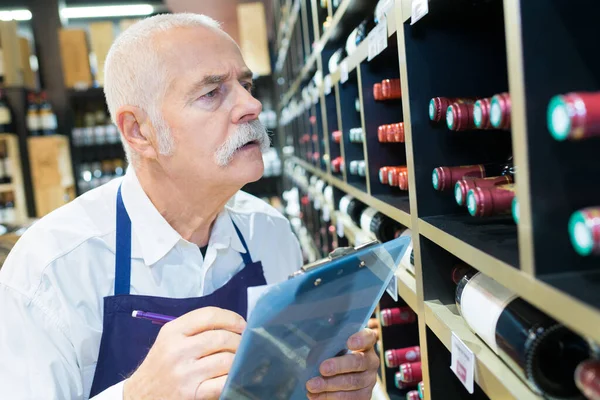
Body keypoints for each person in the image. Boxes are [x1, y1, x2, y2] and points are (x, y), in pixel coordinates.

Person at [0, 13, 380, 400]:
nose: (251, 105)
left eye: (245, 85)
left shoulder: (269, 233)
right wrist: (136, 396)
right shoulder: (51, 272)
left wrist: (328, 389)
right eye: (212, 93)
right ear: (138, 131)